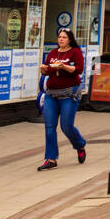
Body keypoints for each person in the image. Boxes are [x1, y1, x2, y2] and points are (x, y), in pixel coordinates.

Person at [37, 27, 86, 171]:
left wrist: (63, 66)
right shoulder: (53, 53)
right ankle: (51, 159)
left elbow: (78, 69)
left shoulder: (75, 52)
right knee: (50, 127)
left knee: (66, 126)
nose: (61, 39)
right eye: (59, 37)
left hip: (69, 94)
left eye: (64, 37)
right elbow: (47, 70)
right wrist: (43, 68)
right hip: (51, 94)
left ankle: (79, 144)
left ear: (69, 39)